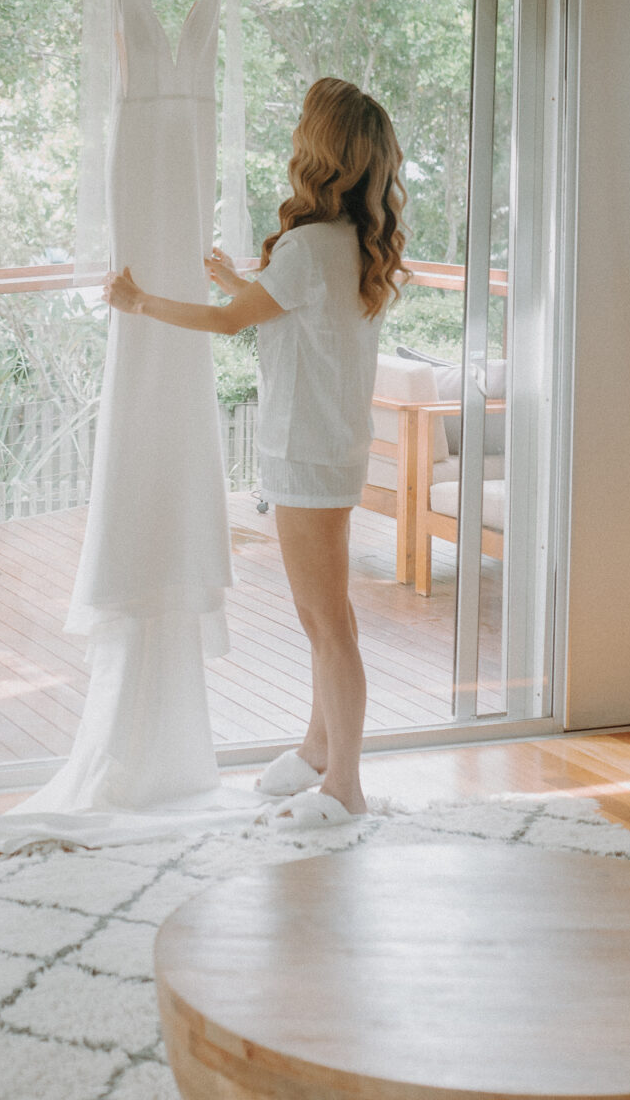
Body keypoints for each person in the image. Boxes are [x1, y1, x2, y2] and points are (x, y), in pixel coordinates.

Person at [104, 76, 406, 820]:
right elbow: (294, 316)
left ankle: (346, 786)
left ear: (320, 155)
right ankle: (316, 750)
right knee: (324, 616)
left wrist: (139, 302)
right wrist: (244, 282)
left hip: (305, 457)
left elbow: (228, 324)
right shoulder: (350, 246)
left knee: (327, 621)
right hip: (331, 451)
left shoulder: (306, 247)